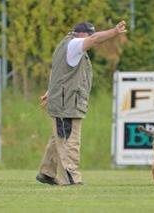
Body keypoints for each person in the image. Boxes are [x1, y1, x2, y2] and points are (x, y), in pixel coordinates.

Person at [36, 21, 127, 185]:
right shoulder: (75, 44)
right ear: (80, 34)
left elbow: (58, 71)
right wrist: (114, 32)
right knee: (69, 141)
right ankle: (71, 178)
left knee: (59, 137)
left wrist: (51, 92)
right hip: (67, 104)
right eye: (89, 35)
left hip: (63, 99)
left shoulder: (65, 45)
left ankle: (47, 172)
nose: (91, 38)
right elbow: (95, 40)